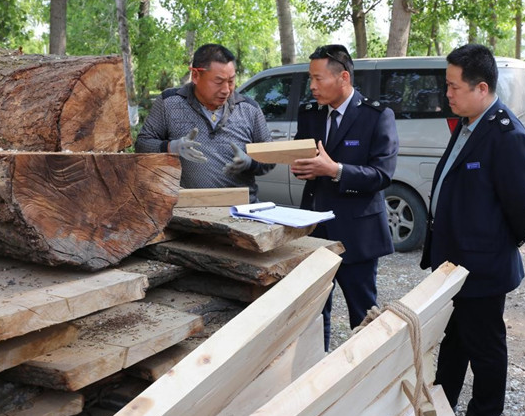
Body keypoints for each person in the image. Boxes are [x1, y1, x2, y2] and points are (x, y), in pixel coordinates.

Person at [420, 43, 525, 416]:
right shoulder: (469, 123)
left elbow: (521, 211)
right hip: (455, 263)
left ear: (481, 88)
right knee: (454, 337)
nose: (447, 93)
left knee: (485, 344)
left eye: (453, 87)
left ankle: (486, 412)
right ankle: (443, 401)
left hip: (483, 266)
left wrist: (494, 248)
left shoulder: (505, 135)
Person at [290, 44, 399, 352]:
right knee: (313, 312)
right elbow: (304, 158)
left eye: (317, 78)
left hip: (358, 234)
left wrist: (334, 169)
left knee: (363, 314)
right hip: (315, 230)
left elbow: (382, 175)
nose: (311, 86)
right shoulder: (309, 114)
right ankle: (315, 375)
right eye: (310, 78)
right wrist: (305, 168)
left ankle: (366, 377)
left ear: (343, 78)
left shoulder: (377, 116)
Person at [135, 43, 274, 202]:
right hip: (188, 210)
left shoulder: (250, 109)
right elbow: (142, 145)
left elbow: (270, 161)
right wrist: (170, 147)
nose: (226, 90)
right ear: (195, 76)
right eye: (218, 81)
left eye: (231, 81)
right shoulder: (169, 103)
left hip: (241, 210)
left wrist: (251, 163)